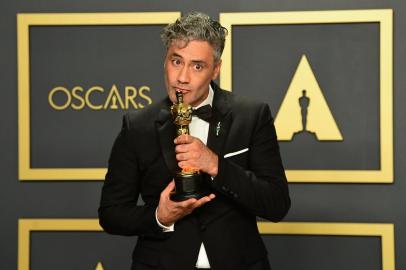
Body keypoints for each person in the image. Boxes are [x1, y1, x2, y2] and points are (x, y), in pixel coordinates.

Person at [98, 12, 291, 270]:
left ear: (216, 69)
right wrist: (159, 216)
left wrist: (215, 165)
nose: (182, 77)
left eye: (197, 66)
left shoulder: (252, 116)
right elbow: (111, 214)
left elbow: (276, 204)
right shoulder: (137, 126)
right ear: (165, 61)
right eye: (176, 61)